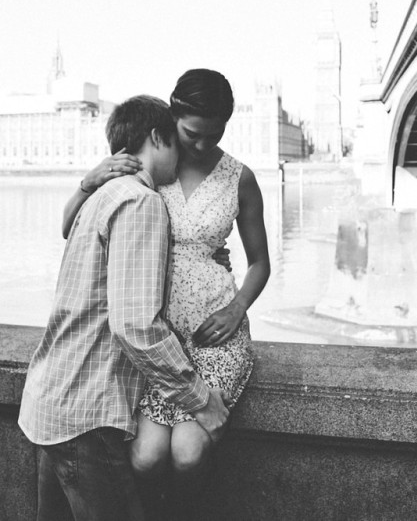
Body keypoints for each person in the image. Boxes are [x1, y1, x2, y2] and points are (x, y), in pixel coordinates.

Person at [63, 69, 271, 519]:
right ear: (170, 118)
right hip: (160, 345)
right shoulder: (148, 163)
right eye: (191, 134)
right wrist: (89, 178)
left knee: (189, 453)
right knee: (145, 456)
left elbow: (260, 262)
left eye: (213, 135)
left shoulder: (241, 177)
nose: (200, 146)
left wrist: (237, 307)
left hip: (217, 339)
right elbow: (72, 227)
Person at [19, 95, 230, 521]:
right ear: (156, 137)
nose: (185, 157)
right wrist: (202, 400)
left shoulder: (101, 193)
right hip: (88, 414)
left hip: (51, 402)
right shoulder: (141, 201)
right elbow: (135, 325)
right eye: (177, 142)